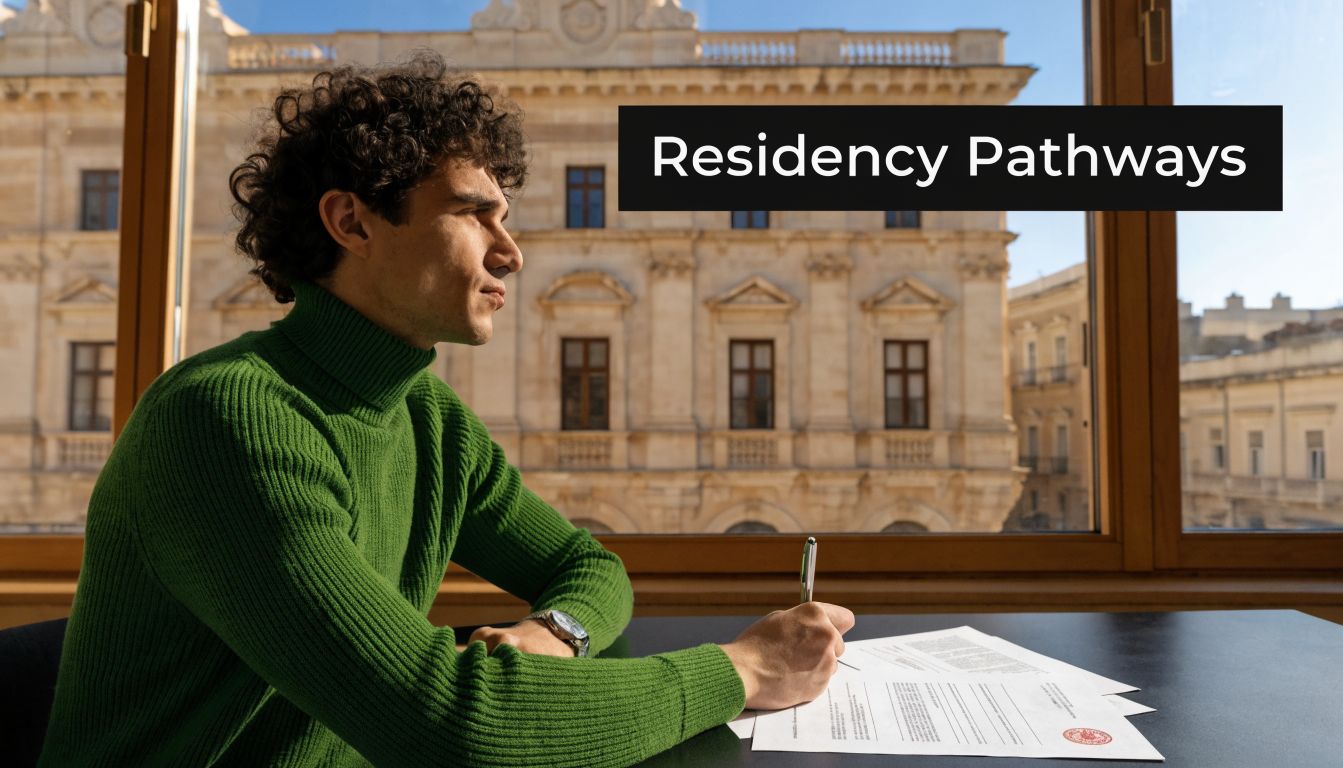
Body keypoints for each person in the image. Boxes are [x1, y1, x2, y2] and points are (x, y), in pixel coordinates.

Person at [37, 52, 854, 767]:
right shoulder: (224, 420)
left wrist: (556, 633)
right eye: (474, 213)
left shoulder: (427, 416)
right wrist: (741, 671)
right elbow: (456, 729)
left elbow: (591, 569)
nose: (513, 251)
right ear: (351, 220)